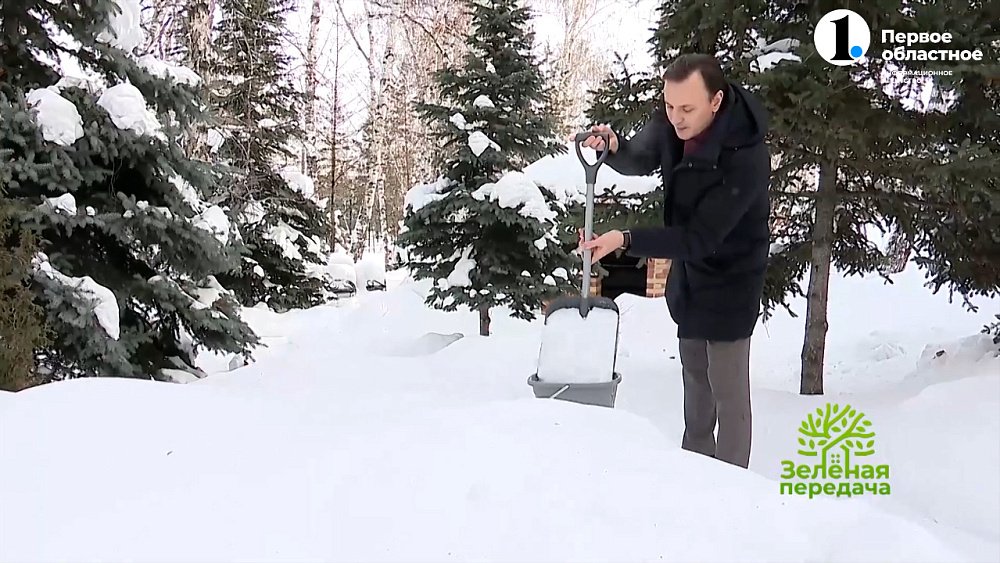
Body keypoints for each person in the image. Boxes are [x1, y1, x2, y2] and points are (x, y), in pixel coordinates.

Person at [578, 53, 771, 469]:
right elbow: (640, 155)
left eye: (686, 108)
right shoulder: (674, 121)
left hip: (732, 277)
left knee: (727, 390)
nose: (675, 118)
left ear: (715, 102)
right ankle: (694, 480)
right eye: (669, 106)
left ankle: (734, 487)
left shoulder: (746, 157)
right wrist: (614, 147)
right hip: (691, 274)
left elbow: (701, 237)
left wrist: (624, 238)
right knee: (695, 384)